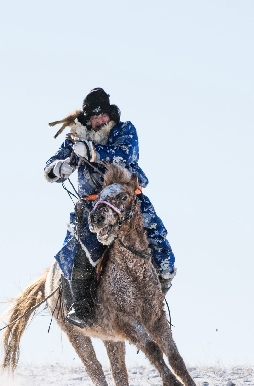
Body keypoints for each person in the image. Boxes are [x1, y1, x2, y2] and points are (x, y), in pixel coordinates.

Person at [43, 88, 176, 328]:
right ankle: (81, 307)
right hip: (93, 206)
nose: (99, 120)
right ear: (87, 119)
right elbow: (51, 165)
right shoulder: (75, 139)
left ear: (110, 114)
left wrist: (92, 152)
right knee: (81, 247)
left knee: (157, 238)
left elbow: (125, 155)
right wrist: (58, 168)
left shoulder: (125, 130)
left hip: (128, 201)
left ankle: (161, 288)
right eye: (94, 117)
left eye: (103, 115)